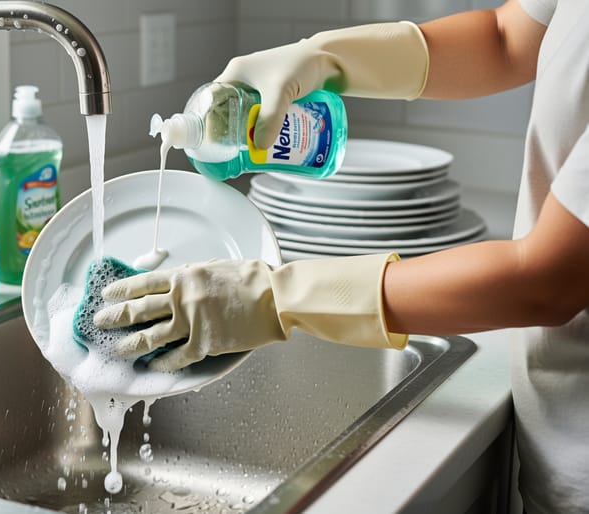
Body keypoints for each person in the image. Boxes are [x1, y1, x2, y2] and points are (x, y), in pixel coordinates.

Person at [93, 1, 589, 512]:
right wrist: (323, 56)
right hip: (554, 439)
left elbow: (547, 280)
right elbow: (507, 38)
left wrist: (277, 298)